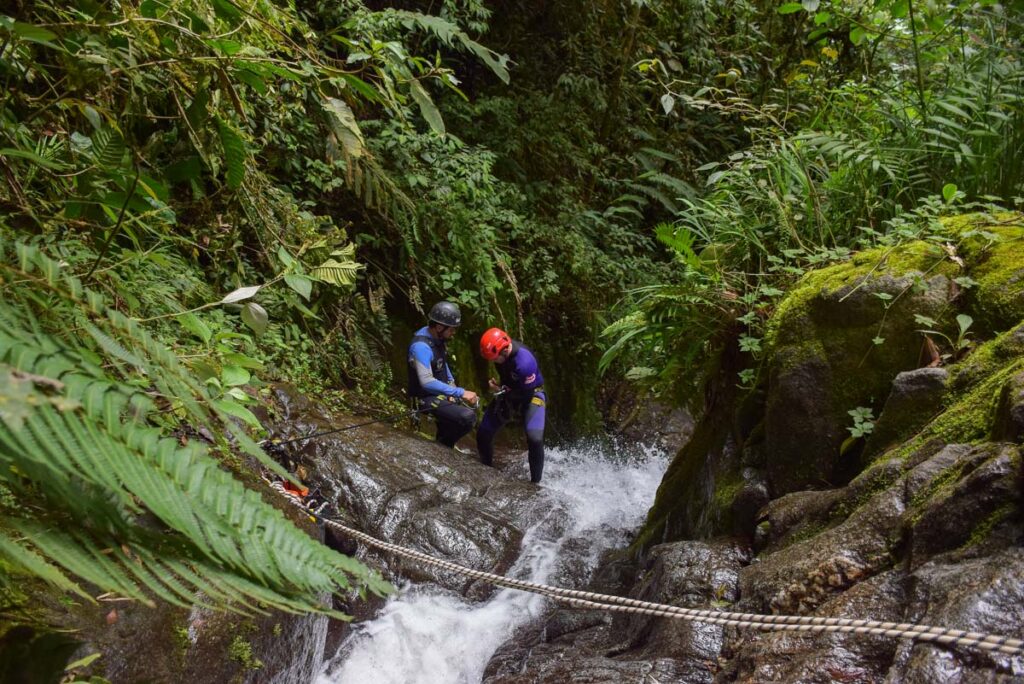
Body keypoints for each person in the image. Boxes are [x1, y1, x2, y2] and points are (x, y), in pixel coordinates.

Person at [476, 327, 546, 483]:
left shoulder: (524, 363)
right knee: (484, 432)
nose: (493, 362)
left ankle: (535, 483)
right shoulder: (501, 355)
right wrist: (502, 388)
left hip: (532, 394)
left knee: (535, 439)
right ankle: (485, 468)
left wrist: (502, 390)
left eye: (494, 359)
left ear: (504, 351)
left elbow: (525, 394)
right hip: (509, 391)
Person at [407, 301, 478, 448]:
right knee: (467, 417)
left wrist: (452, 388)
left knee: (455, 418)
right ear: (439, 327)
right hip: (425, 398)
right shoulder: (421, 347)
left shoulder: (437, 339)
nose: (453, 333)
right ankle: (443, 446)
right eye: (451, 330)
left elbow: (443, 366)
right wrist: (460, 392)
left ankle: (443, 446)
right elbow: (426, 381)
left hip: (439, 395)